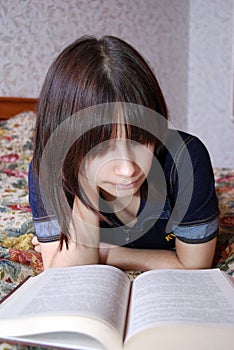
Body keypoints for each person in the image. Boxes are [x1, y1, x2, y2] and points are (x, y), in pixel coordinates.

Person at [28, 35, 219, 270]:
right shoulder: (47, 169)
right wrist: (84, 185)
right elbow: (65, 273)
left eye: (140, 140)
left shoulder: (186, 158)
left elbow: (194, 266)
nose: (128, 169)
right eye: (102, 148)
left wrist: (106, 252)